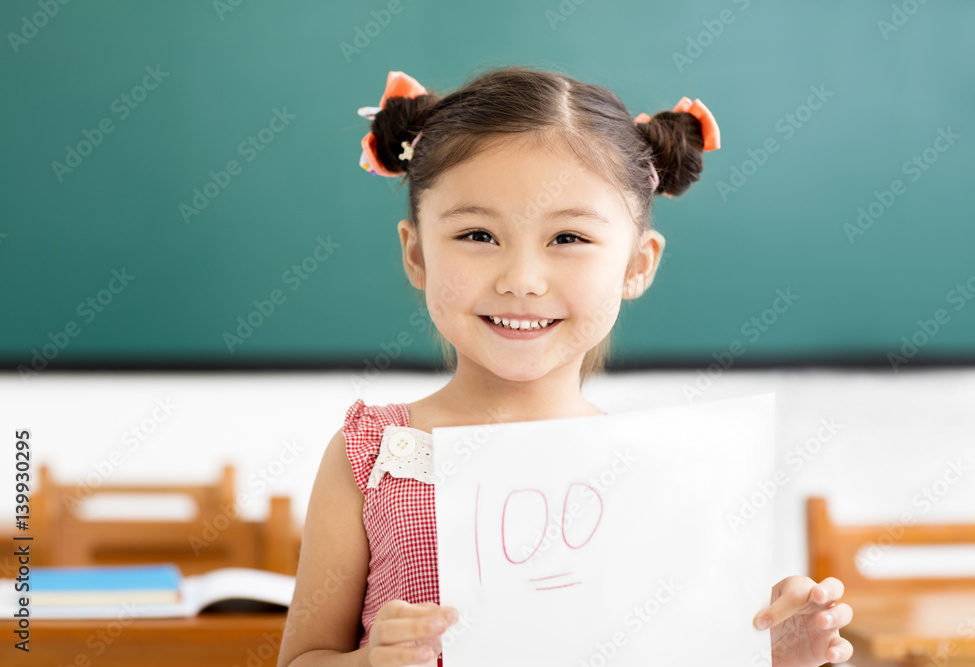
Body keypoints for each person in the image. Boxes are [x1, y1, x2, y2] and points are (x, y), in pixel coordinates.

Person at [277, 66, 853, 667]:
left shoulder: (662, 475)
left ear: (637, 265)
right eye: (477, 234)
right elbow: (302, 659)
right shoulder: (371, 454)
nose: (521, 280)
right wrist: (371, 662)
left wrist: (768, 653)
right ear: (417, 254)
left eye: (569, 239)